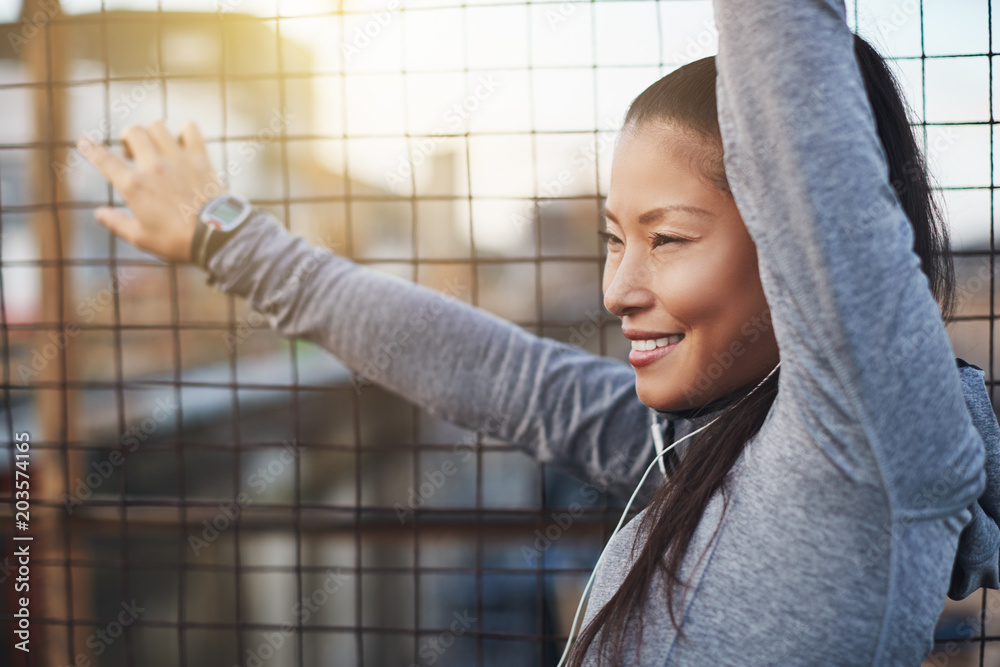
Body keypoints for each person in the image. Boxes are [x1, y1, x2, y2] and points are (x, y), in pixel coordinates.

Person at [75, 0, 1000, 664]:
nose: (616, 288)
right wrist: (223, 233)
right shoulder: (713, 435)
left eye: (666, 239)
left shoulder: (861, 443)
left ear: (799, 259)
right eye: (613, 238)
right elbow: (498, 372)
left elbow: (796, 119)